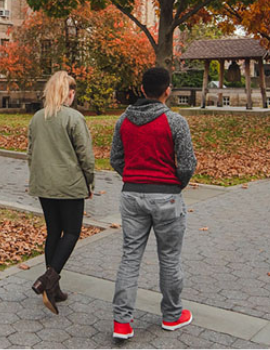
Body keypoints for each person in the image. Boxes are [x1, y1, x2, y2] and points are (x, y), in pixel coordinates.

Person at [109, 66, 197, 340]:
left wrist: (133, 177)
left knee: (130, 257)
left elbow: (115, 158)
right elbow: (188, 163)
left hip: (132, 195)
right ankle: (172, 315)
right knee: (169, 257)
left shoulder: (123, 121)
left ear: (142, 89)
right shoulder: (175, 122)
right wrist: (174, 184)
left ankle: (122, 322)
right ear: (167, 90)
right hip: (166, 196)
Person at [26, 70, 95, 314]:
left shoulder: (37, 118)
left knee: (54, 232)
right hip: (69, 184)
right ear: (69, 93)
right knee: (72, 232)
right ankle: (48, 280)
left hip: (44, 184)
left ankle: (53, 288)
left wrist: (37, 177)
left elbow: (30, 153)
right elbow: (85, 155)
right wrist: (89, 182)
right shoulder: (74, 118)